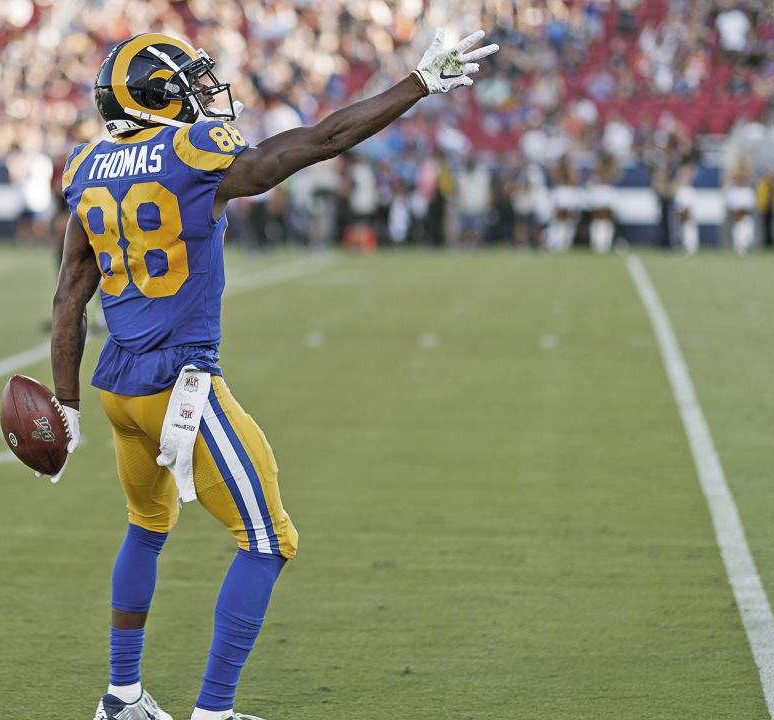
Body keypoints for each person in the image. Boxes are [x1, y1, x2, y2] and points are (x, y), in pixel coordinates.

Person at [48, 30, 498, 720]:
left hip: (116, 389)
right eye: (186, 86)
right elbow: (315, 143)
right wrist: (416, 84)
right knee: (269, 540)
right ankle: (215, 712)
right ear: (154, 98)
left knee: (145, 526)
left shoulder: (84, 166)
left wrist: (67, 403)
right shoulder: (189, 152)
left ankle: (122, 697)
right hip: (181, 386)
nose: (201, 95)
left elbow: (69, 295)